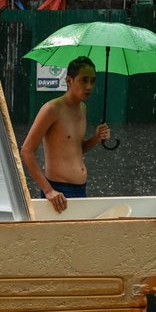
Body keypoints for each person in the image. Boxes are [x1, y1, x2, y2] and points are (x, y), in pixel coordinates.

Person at [21, 56, 110, 213]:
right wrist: (48, 190)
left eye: (92, 81)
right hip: (59, 193)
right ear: (69, 81)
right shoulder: (51, 109)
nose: (89, 86)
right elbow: (27, 151)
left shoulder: (82, 108)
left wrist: (96, 138)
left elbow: (76, 149)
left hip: (81, 190)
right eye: (84, 80)